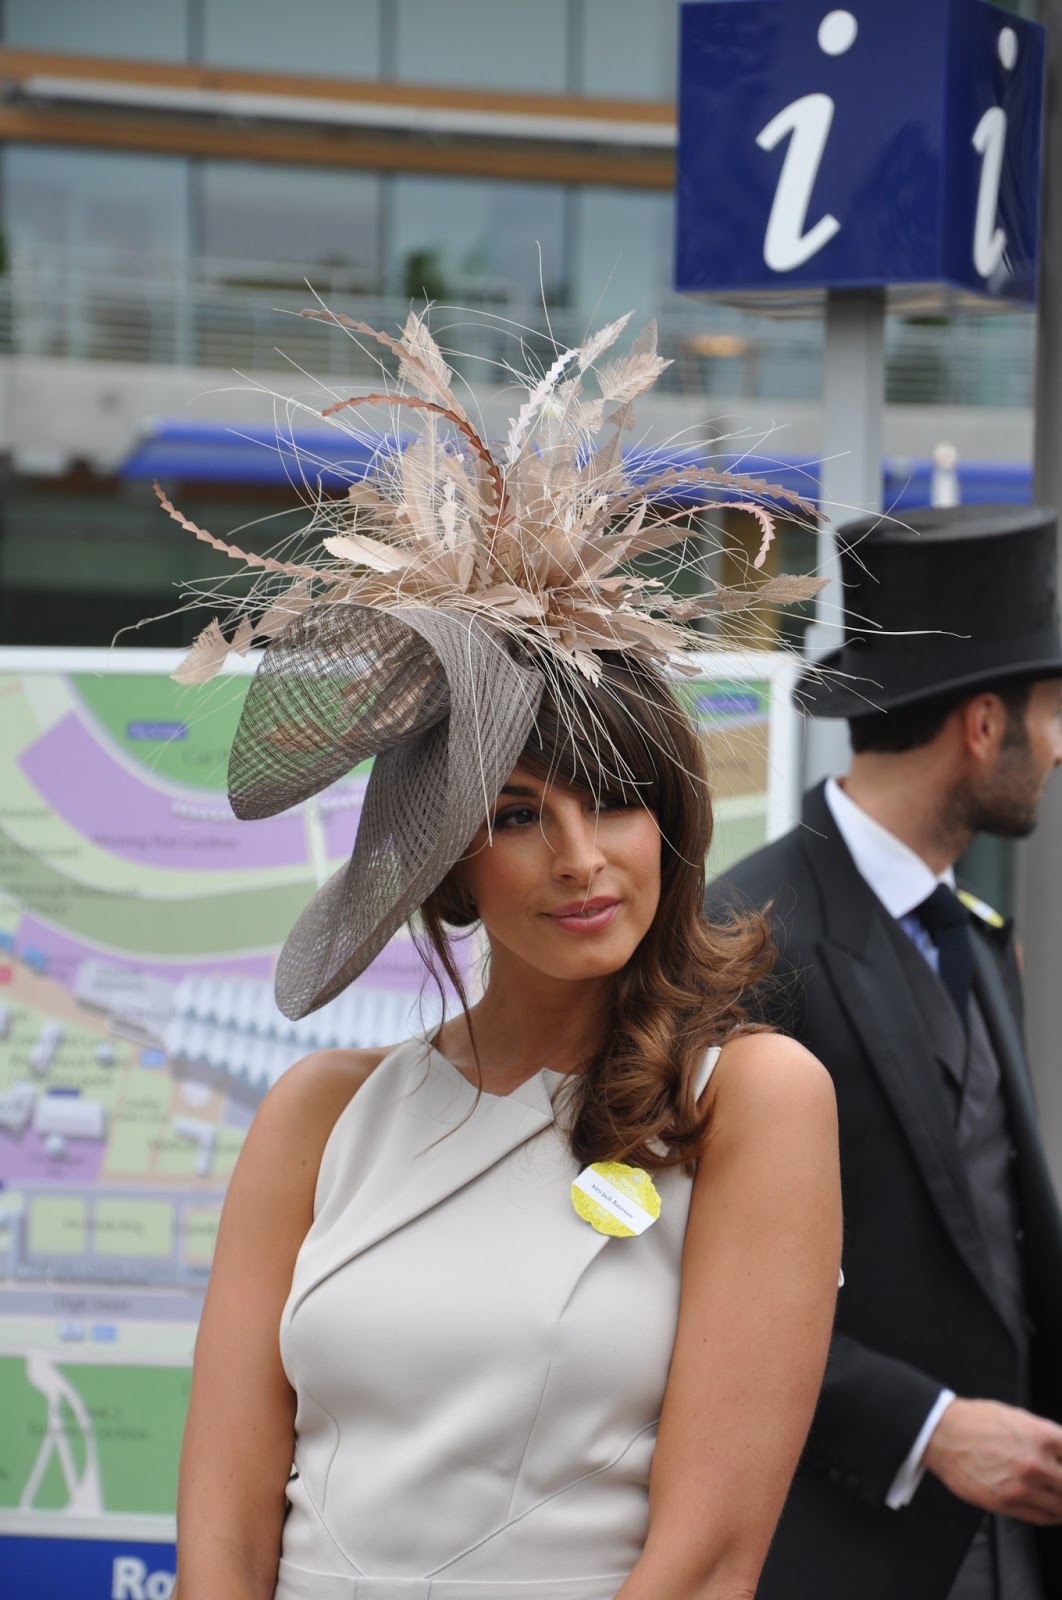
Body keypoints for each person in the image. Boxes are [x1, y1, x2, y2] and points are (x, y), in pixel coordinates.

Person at [163, 310, 841, 1600]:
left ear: (674, 820)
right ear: (450, 865)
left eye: (618, 798)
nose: (582, 858)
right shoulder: (321, 1117)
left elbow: (706, 1558)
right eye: (519, 815)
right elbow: (225, 1535)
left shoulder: (749, 1102)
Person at [709, 505, 1062, 1600]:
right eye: (1051, 714)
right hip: (841, 1552)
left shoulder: (975, 937)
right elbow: (685, 1279)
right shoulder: (746, 934)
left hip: (1014, 1550)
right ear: (984, 724)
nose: (1061, 745)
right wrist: (926, 1426)